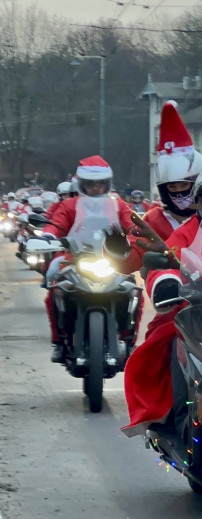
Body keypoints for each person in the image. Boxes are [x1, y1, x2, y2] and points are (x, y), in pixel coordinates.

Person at [123, 161, 202, 439]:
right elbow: (168, 259)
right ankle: (178, 419)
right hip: (200, 312)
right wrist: (166, 282)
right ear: (200, 202)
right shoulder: (189, 230)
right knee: (171, 344)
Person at [42, 155, 135, 363]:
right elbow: (56, 225)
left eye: (101, 183)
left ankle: (130, 340)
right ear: (82, 184)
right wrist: (49, 236)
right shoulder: (69, 205)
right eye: (91, 184)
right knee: (53, 289)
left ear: (108, 183)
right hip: (74, 258)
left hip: (111, 259)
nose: (96, 188)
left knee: (133, 290)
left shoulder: (118, 205)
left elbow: (131, 224)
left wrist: (139, 234)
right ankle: (58, 341)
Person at [104, 101, 202, 275]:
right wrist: (118, 251)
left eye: (184, 185)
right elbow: (131, 262)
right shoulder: (153, 220)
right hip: (173, 293)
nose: (180, 191)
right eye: (173, 187)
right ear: (164, 191)